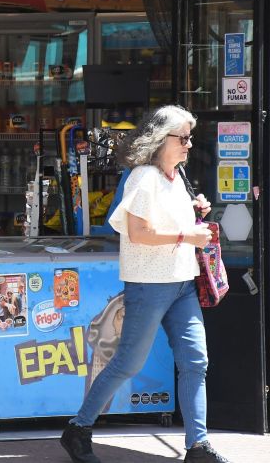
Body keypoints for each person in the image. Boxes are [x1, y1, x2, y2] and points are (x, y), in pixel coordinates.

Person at [60, 105, 229, 463]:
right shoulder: (143, 178)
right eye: (182, 137)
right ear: (159, 139)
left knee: (195, 361)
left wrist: (196, 212)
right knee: (127, 364)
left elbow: (169, 226)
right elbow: (138, 233)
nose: (188, 144)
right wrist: (187, 234)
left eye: (189, 137)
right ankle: (78, 427)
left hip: (182, 283)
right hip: (149, 284)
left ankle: (197, 445)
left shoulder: (176, 176)